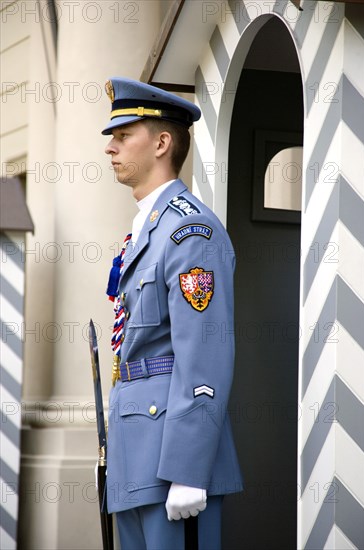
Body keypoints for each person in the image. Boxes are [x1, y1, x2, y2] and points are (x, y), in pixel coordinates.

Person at [102, 77, 243, 550]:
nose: (111, 148)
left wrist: (189, 468)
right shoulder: (150, 231)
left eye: (123, 136)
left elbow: (203, 354)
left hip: (171, 461)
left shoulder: (190, 231)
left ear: (162, 142)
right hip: (136, 456)